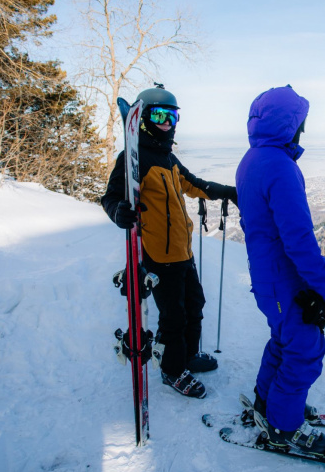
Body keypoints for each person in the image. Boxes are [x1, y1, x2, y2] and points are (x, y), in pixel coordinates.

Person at [101, 85, 237, 399]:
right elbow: (111, 197)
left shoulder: (167, 156)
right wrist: (118, 212)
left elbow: (194, 184)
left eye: (172, 115)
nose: (167, 122)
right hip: (157, 256)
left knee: (195, 305)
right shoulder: (134, 159)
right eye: (159, 114)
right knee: (173, 316)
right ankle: (173, 370)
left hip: (182, 252)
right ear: (144, 119)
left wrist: (230, 191)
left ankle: (187, 355)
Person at [235, 85, 325, 456]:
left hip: (268, 278)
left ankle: (269, 405)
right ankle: (284, 427)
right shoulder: (280, 167)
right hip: (285, 279)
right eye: (301, 122)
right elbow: (298, 238)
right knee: (303, 351)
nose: (304, 130)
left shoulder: (251, 159)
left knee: (284, 342)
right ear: (289, 124)